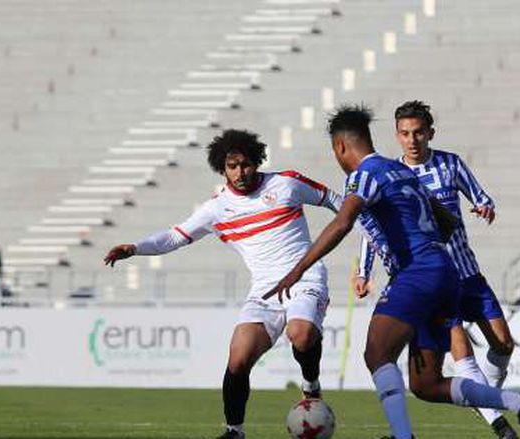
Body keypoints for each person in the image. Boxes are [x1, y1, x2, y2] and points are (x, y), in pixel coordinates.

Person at [263, 105, 520, 439]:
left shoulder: (364, 175)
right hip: (444, 272)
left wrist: (297, 270)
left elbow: (342, 223)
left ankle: (403, 437)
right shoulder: (403, 173)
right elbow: (447, 222)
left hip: (417, 274)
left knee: (376, 353)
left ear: (340, 147)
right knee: (426, 384)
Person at [103, 129, 343, 439]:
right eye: (232, 166)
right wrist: (136, 248)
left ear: (256, 162)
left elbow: (336, 201)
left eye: (245, 164)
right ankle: (234, 431)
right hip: (264, 291)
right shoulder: (216, 209)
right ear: (222, 168)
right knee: (238, 357)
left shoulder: (286, 183)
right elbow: (175, 236)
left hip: (304, 276)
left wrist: (371, 237)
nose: (240, 172)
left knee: (301, 333)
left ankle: (310, 384)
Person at [354, 100, 518, 438]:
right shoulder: (390, 174)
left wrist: (485, 208)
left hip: (467, 271)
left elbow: (482, 198)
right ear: (397, 136)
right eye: (404, 134)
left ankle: (486, 397)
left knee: (503, 344)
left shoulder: (450, 164)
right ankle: (498, 423)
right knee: (462, 353)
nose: (412, 140)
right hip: (431, 280)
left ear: (430, 133)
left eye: (417, 133)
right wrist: (363, 271)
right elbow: (373, 229)